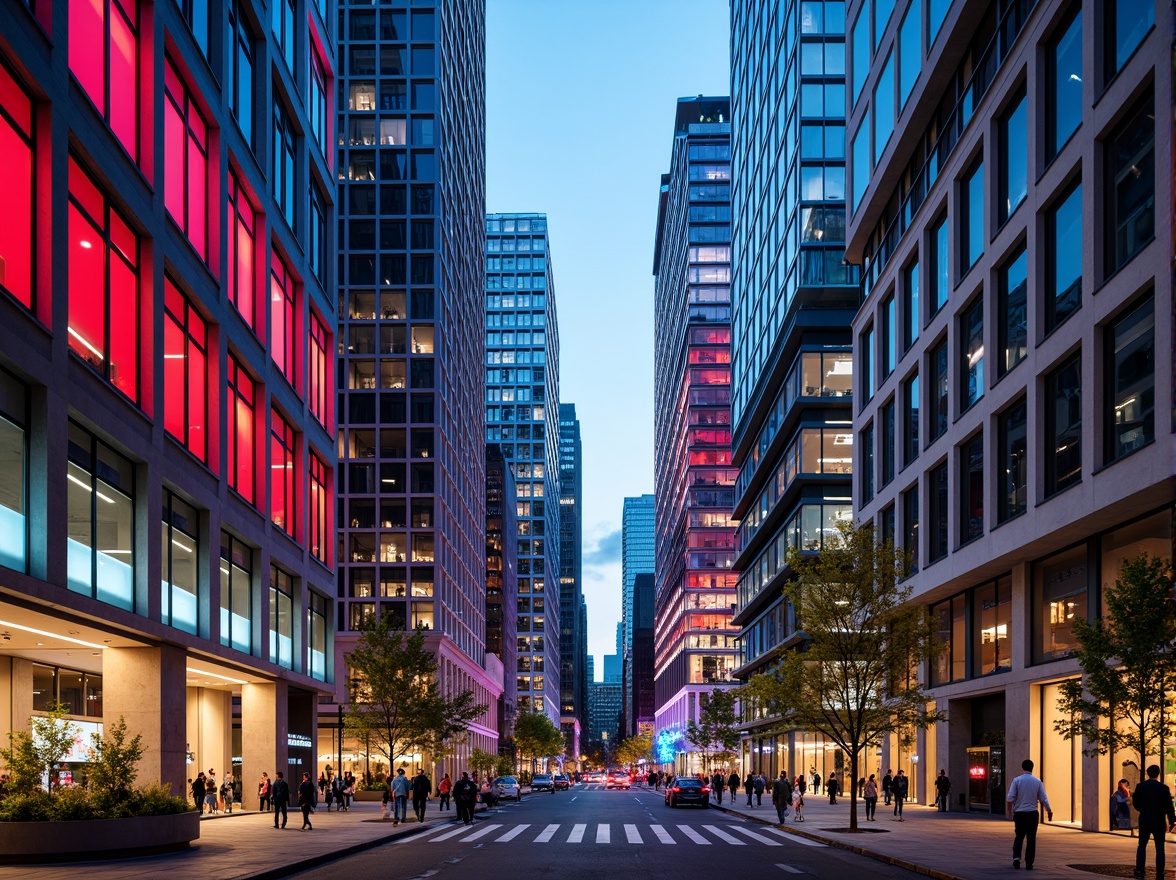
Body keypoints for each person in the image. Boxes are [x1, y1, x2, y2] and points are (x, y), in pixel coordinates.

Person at [1006, 758, 1052, 869]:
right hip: (1032, 813)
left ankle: (1016, 858)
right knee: (1031, 838)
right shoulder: (1037, 781)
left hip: (1020, 813)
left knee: (1019, 836)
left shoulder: (1017, 780)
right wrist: (1049, 810)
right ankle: (1029, 862)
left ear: (1022, 767)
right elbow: (1043, 798)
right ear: (1032, 768)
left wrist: (1009, 811)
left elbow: (1010, 797)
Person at [1132, 764, 1175, 879]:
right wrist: (1172, 821)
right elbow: (1169, 806)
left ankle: (1140, 870)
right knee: (1160, 847)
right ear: (1158, 774)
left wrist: (1143, 810)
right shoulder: (1163, 788)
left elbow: (1135, 802)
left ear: (1147, 773)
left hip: (1145, 820)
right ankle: (1160, 872)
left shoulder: (1140, 786)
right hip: (1159, 820)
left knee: (1142, 845)